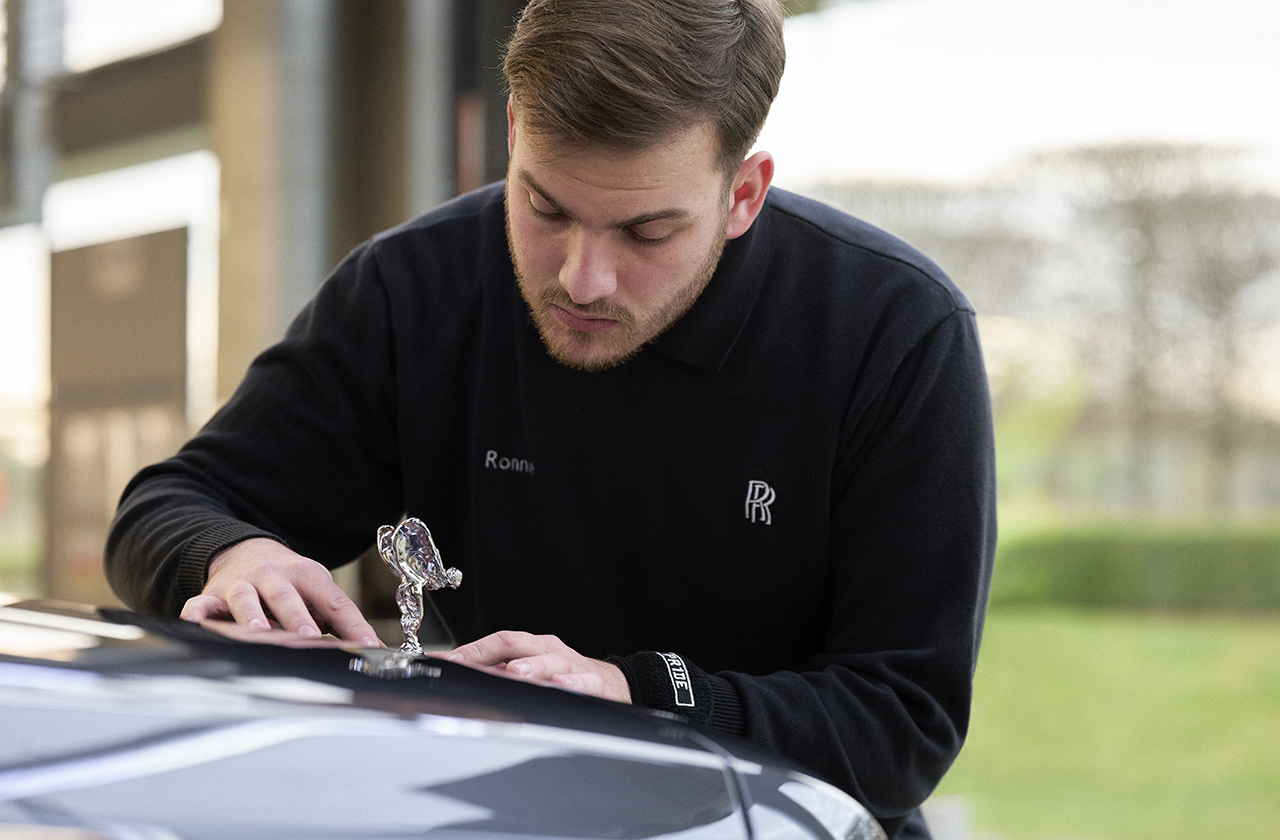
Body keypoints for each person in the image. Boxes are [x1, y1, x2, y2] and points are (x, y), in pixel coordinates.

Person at [106, 1, 995, 837]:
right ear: (514, 134)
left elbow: (901, 724)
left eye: (646, 233)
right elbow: (168, 506)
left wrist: (633, 692)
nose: (582, 278)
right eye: (545, 208)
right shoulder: (415, 293)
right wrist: (233, 553)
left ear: (744, 195)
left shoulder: (895, 334)